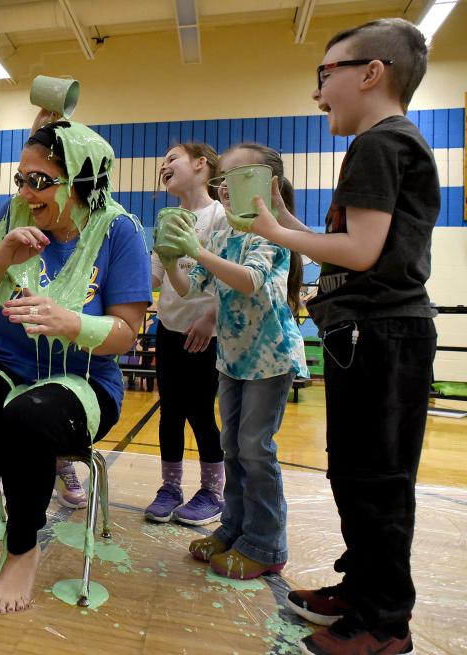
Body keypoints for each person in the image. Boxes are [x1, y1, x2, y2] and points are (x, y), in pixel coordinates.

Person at [243, 19, 438, 655]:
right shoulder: (385, 144)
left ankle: (384, 623)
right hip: (369, 334)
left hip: (384, 334)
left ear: (371, 73)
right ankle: (362, 591)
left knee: (376, 480)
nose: (318, 91)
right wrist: (286, 220)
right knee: (356, 475)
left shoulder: (381, 144)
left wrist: (275, 233)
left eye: (326, 74)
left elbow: (358, 250)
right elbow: (348, 245)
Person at [0, 118, 152, 616]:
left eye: (39, 181)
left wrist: (71, 322)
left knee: (28, 420)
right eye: (21, 178)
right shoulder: (12, 216)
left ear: (81, 183)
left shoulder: (120, 232)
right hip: (3, 363)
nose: (25, 192)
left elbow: (126, 333)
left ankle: (21, 548)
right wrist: (2, 258)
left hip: (84, 380)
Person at [159, 143, 307, 581]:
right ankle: (234, 529)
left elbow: (249, 282)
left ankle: (266, 544)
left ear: (267, 186)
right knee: (233, 447)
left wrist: (197, 250)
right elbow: (189, 288)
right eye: (223, 179)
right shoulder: (222, 235)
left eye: (237, 179)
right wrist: (171, 261)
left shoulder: (272, 232)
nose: (224, 188)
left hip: (270, 360)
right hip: (233, 359)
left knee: (255, 450)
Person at [144, 143, 227, 526]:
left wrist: (211, 317)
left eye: (172, 158)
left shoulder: (221, 216)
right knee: (170, 410)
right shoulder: (167, 220)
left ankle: (213, 491)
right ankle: (170, 487)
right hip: (170, 329)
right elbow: (154, 279)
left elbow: (231, 274)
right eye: (162, 162)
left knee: (201, 411)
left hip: (207, 333)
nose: (164, 165)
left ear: (201, 164)